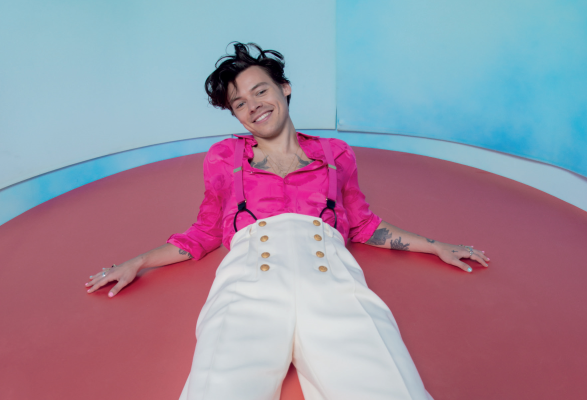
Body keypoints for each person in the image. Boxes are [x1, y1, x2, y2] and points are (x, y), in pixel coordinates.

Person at [86, 42, 489, 400]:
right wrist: (138, 262)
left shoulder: (335, 153)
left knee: (390, 389)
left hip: (333, 284)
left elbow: (364, 225)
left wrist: (435, 246)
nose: (253, 106)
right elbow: (204, 231)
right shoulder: (224, 157)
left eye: (260, 91)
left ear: (285, 88)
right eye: (239, 103)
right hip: (247, 289)